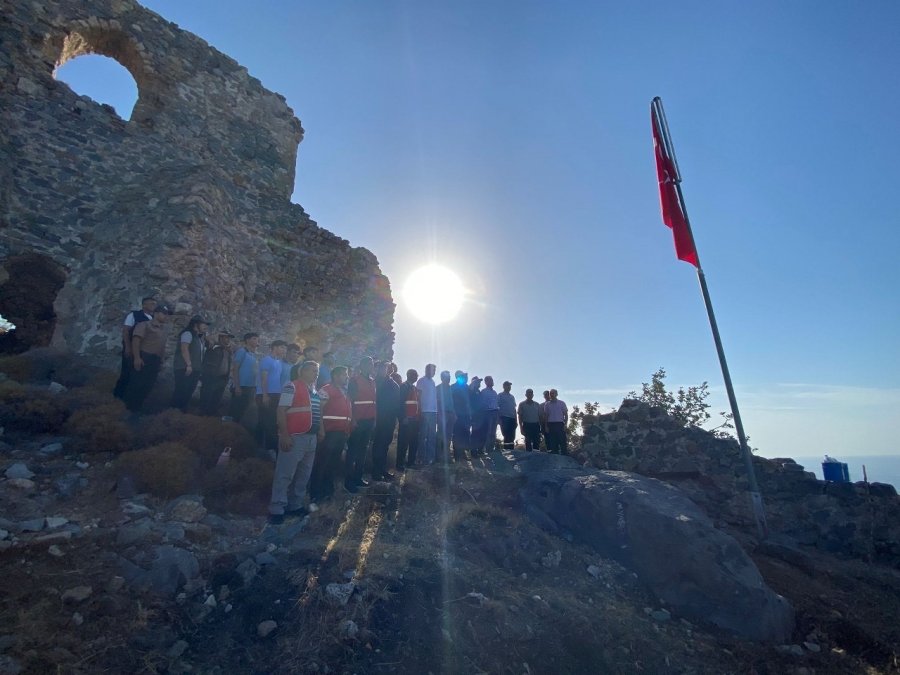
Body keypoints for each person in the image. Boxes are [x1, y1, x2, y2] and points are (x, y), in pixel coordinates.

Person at [268, 360, 321, 524]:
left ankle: (295, 505)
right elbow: (281, 410)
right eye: (312, 370)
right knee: (285, 474)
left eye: (316, 371)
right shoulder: (291, 386)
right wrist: (284, 434)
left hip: (311, 439)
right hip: (294, 437)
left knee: (303, 475)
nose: (315, 373)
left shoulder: (314, 391)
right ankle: (276, 509)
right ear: (301, 372)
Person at [308, 365, 351, 504]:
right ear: (336, 376)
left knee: (333, 463)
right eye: (344, 374)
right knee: (322, 462)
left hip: (341, 433)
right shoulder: (326, 390)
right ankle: (315, 492)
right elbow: (319, 411)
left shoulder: (344, 391)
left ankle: (328, 490)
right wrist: (321, 429)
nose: (347, 377)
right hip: (329, 432)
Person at [124, 304, 171, 412]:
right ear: (156, 313)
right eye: (163, 314)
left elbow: (162, 346)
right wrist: (137, 358)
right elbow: (136, 341)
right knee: (136, 384)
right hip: (144, 356)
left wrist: (161, 360)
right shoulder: (144, 325)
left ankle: (136, 409)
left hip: (155, 360)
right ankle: (126, 409)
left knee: (147, 385)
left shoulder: (164, 330)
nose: (166, 316)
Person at [113, 296, 156, 400]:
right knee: (126, 374)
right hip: (132, 348)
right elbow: (126, 331)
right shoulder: (134, 315)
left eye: (154, 304)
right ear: (144, 305)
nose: (153, 306)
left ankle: (130, 400)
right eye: (151, 304)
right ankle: (116, 399)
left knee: (139, 377)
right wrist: (127, 347)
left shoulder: (154, 319)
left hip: (145, 351)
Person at [345, 356, 376, 492]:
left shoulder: (372, 381)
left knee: (362, 451)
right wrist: (353, 419)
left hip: (369, 421)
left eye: (372, 364)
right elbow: (349, 400)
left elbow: (374, 402)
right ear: (362, 366)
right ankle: (348, 481)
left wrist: (375, 420)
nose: (370, 366)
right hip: (358, 421)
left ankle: (358, 478)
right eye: (368, 364)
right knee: (352, 451)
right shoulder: (354, 380)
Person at [171, 314, 209, 412]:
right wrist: (188, 364)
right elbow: (184, 349)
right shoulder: (188, 333)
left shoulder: (198, 338)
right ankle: (173, 413)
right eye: (203, 324)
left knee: (188, 392)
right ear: (196, 324)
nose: (206, 326)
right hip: (185, 368)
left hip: (194, 369)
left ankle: (181, 413)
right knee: (181, 391)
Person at [257, 340, 288, 455]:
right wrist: (265, 395)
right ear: (274, 347)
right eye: (282, 347)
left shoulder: (279, 362)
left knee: (271, 420)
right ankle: (264, 447)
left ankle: (265, 447)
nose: (284, 350)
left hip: (275, 394)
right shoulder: (267, 360)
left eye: (285, 348)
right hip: (265, 394)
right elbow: (263, 378)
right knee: (266, 420)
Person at [371, 361, 400, 480]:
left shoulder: (392, 382)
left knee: (385, 445)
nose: (389, 369)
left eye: (390, 367)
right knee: (379, 445)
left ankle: (382, 470)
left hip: (390, 419)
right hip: (379, 419)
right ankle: (376, 472)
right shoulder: (375, 382)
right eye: (386, 367)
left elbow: (396, 402)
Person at [199, 329, 234, 416]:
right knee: (206, 396)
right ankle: (202, 415)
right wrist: (218, 333)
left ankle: (211, 417)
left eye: (229, 338)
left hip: (223, 378)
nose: (228, 340)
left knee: (216, 398)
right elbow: (206, 339)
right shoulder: (213, 345)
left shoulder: (227, 350)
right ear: (221, 337)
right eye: (226, 337)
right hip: (211, 377)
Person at [229, 333, 260, 424]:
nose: (257, 341)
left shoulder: (253, 354)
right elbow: (235, 369)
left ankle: (236, 430)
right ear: (247, 340)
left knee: (243, 411)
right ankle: (227, 430)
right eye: (254, 338)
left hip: (250, 387)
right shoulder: (242, 351)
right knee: (234, 411)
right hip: (241, 386)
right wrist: (237, 386)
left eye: (257, 339)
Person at [396, 369, 419, 471]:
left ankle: (411, 462)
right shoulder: (403, 387)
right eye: (415, 375)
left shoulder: (414, 388)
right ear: (409, 375)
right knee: (403, 443)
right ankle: (399, 464)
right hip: (406, 420)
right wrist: (402, 417)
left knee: (414, 442)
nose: (416, 377)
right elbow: (400, 403)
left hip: (414, 419)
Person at [416, 364, 438, 465]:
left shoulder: (433, 382)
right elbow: (418, 396)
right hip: (424, 412)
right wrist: (419, 410)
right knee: (422, 436)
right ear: (427, 370)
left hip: (433, 413)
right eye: (432, 370)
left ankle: (430, 459)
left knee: (432, 436)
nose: (433, 372)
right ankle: (421, 458)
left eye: (434, 370)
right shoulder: (421, 381)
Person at [450, 371, 471, 461]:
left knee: (465, 433)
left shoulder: (466, 386)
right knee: (457, 434)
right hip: (457, 414)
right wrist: (453, 412)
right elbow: (451, 401)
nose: (463, 377)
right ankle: (457, 455)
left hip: (466, 414)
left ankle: (463, 453)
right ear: (457, 377)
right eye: (461, 376)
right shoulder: (453, 387)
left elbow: (469, 401)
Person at [436, 370, 456, 463]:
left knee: (448, 436)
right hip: (442, 414)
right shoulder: (438, 388)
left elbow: (453, 402)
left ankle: (447, 456)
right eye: (446, 377)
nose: (448, 378)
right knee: (441, 435)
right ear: (442, 378)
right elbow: (437, 402)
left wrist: (454, 413)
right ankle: (439, 456)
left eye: (449, 377)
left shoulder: (451, 388)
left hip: (451, 414)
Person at [544, 389, 569, 454]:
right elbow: (546, 416)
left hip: (560, 424)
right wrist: (546, 426)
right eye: (551, 393)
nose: (552, 395)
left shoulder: (562, 403)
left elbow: (565, 414)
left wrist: (565, 424)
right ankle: (555, 454)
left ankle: (564, 454)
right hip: (551, 424)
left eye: (553, 393)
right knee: (553, 441)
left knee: (562, 440)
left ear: (556, 394)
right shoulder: (547, 404)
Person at [480, 375, 500, 453]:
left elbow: (497, 404)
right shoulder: (484, 392)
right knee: (488, 431)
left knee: (493, 431)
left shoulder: (494, 392)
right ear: (486, 382)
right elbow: (482, 403)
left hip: (495, 412)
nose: (492, 382)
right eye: (490, 380)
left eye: (492, 380)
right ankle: (487, 449)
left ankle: (491, 448)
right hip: (488, 413)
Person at [468, 376, 486, 456]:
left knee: (481, 432)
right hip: (474, 415)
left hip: (481, 415)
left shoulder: (479, 391)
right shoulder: (471, 391)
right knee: (475, 433)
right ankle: (473, 451)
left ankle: (480, 450)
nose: (479, 383)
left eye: (479, 382)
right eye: (477, 382)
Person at [497, 380, 517, 450]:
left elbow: (514, 409)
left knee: (512, 436)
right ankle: (507, 451)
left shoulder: (512, 397)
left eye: (510, 386)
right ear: (504, 386)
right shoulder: (500, 395)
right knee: (506, 435)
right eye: (507, 385)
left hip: (512, 418)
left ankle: (512, 451)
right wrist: (499, 419)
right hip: (504, 418)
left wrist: (516, 420)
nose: (509, 387)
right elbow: (497, 407)